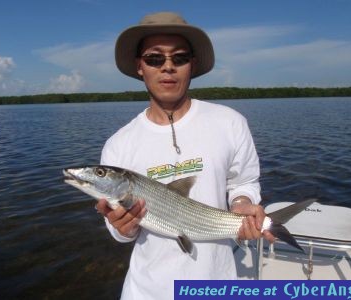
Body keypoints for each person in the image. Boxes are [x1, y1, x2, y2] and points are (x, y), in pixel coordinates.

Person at [96, 12, 274, 300]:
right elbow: (118, 230)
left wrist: (242, 203)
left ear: (193, 64)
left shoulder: (230, 122)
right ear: (139, 66)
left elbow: (244, 181)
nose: (168, 67)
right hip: (146, 291)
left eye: (179, 58)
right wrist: (122, 228)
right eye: (155, 58)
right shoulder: (118, 144)